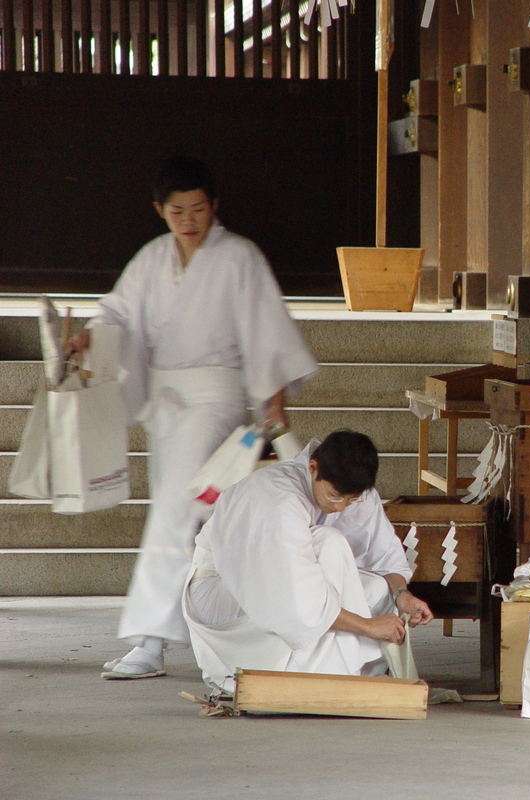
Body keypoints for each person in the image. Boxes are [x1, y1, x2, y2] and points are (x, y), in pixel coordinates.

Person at [68, 155, 319, 679]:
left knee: (176, 513)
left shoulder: (238, 257)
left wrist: (273, 401)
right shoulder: (153, 259)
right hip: (168, 407)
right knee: (203, 515)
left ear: (214, 206)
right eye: (177, 210)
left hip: (216, 402)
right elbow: (116, 313)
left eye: (198, 208)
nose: (188, 219)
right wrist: (88, 336)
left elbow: (265, 329)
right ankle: (246, 629)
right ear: (160, 210)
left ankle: (151, 638)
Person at [182, 429, 434, 694]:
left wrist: (402, 596)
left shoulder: (353, 490)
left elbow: (386, 560)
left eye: (352, 500)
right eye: (335, 496)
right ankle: (322, 674)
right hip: (219, 592)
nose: (341, 508)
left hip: (291, 591)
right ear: (313, 468)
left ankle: (334, 667)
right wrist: (368, 626)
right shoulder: (278, 501)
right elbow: (298, 604)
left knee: (379, 590)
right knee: (330, 543)